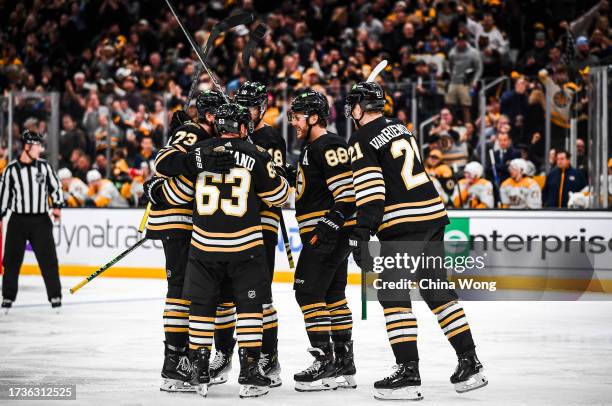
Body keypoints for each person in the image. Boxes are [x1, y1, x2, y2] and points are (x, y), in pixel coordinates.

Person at [345, 82, 487, 400]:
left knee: (391, 292)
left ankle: (408, 373)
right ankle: (470, 362)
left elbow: (372, 190)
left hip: (404, 223)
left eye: (352, 105)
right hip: (433, 216)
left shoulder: (360, 138)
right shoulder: (400, 126)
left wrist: (362, 231)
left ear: (358, 108)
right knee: (437, 291)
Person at [144, 103, 290, 398]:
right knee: (249, 308)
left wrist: (152, 190)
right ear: (243, 128)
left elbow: (175, 193)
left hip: (203, 247)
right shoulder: (254, 154)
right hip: (245, 246)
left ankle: (199, 371)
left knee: (201, 308)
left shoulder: (199, 154)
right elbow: (279, 196)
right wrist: (285, 176)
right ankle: (250, 372)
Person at [145, 90, 233, 393]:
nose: (224, 121)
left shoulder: (198, 133)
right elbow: (164, 161)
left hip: (182, 221)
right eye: (219, 115)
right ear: (209, 116)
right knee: (180, 292)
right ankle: (174, 365)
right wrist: (188, 136)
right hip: (177, 221)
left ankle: (178, 360)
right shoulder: (194, 132)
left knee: (185, 291)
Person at [288, 90, 357, 392]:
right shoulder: (313, 147)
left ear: (314, 117)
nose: (293, 122)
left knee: (306, 292)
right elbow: (315, 185)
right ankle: (344, 362)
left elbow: (347, 193)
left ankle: (324, 361)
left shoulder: (328, 144)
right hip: (329, 234)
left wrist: (329, 226)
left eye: (298, 116)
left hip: (328, 235)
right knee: (333, 296)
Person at [225, 81, 287, 386]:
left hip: (262, 225)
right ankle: (224, 354)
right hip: (236, 226)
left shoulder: (269, 138)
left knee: (259, 296)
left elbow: (270, 188)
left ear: (262, 107)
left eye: (252, 106)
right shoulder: (237, 133)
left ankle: (269, 356)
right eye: (244, 106)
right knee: (229, 296)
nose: (247, 112)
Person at [0, 130, 64, 311]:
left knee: (48, 259)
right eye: (38, 146)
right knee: (11, 260)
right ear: (27, 147)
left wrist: (57, 206)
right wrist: (1, 215)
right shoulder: (11, 170)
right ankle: (8, 297)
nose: (40, 149)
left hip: (41, 221)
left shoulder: (44, 167)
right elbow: (3, 196)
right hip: (18, 220)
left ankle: (55, 296)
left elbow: (56, 187)